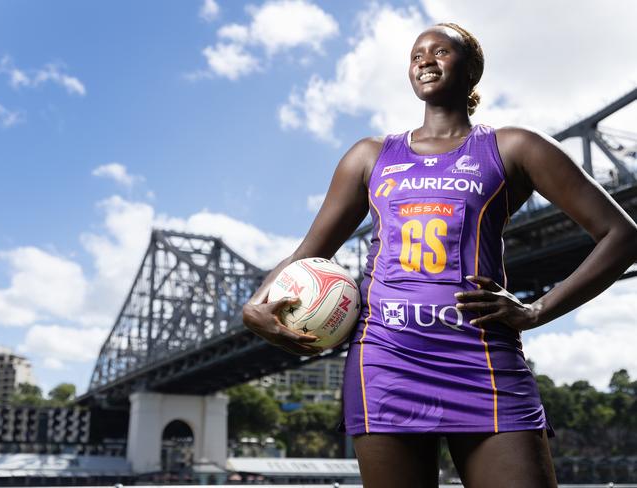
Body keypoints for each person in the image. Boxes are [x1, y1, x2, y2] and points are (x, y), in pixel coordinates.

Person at [242, 22, 637, 488]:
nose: (425, 60)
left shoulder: (515, 147)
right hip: (386, 360)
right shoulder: (369, 156)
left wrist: (537, 309)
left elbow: (622, 235)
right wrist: (254, 306)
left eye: (441, 51)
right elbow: (309, 252)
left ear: (471, 69)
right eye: (416, 55)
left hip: (483, 358)